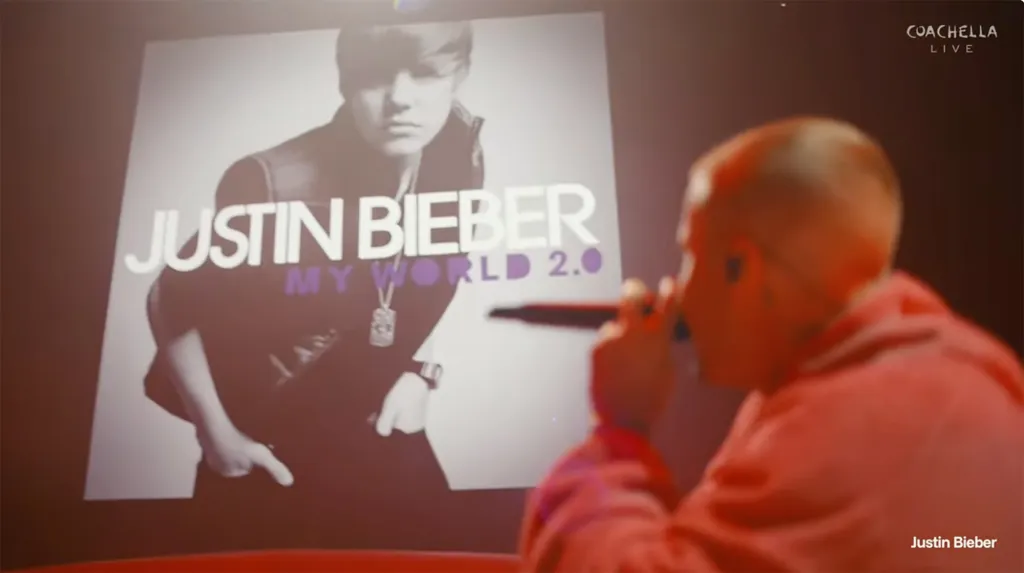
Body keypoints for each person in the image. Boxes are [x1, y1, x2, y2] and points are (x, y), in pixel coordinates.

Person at [520, 117, 1023, 572]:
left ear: (743, 269)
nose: (676, 292)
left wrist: (618, 432)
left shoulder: (845, 427)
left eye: (690, 256)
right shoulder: (975, 379)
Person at [143, 21, 483, 549]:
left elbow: (425, 266)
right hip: (271, 445)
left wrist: (419, 369)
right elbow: (170, 297)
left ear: (457, 76)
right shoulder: (271, 181)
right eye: (373, 79)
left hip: (376, 424)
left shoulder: (456, 149)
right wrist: (218, 437)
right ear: (345, 84)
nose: (400, 100)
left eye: (425, 73)